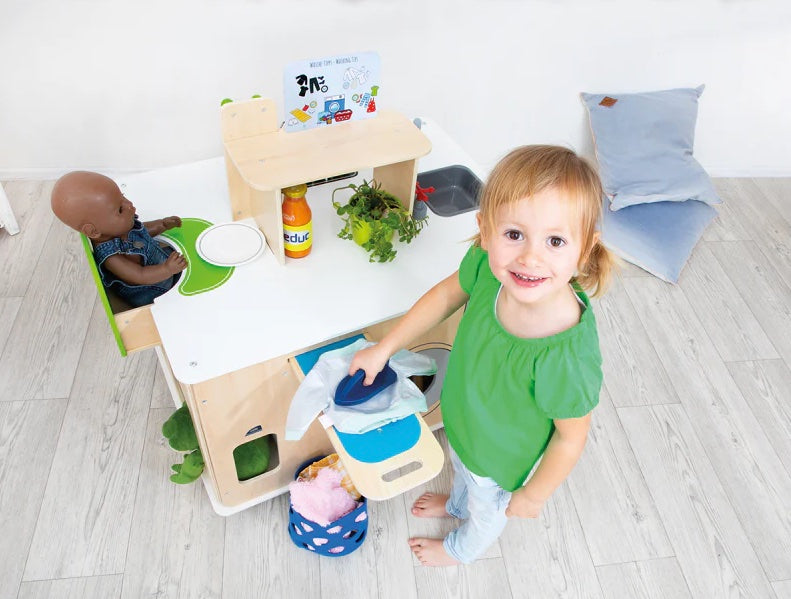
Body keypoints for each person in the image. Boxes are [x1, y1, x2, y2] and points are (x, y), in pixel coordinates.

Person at [348, 145, 617, 567]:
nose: (531, 257)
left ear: (584, 249)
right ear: (486, 229)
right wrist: (383, 349)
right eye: (514, 234)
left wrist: (533, 494)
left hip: (500, 459)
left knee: (485, 506)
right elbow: (444, 295)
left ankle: (461, 549)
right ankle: (457, 506)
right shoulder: (490, 269)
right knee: (461, 467)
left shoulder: (565, 355)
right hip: (464, 420)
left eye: (556, 241)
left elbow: (571, 437)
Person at [51, 171, 186, 307]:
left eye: (123, 197)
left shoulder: (121, 226)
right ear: (93, 231)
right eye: (120, 209)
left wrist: (161, 224)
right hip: (155, 289)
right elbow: (141, 275)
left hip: (164, 264)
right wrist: (167, 269)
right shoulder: (112, 258)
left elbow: (142, 231)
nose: (130, 205)